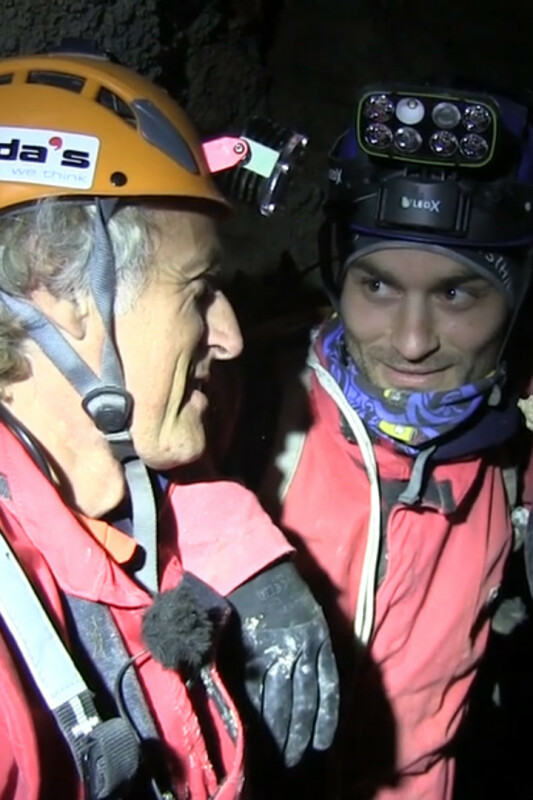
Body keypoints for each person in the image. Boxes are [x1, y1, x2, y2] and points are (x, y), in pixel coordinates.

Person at [0, 42, 339, 800]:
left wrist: (245, 552)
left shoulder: (101, 481)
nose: (230, 336)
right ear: (65, 297)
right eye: (197, 289)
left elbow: (169, 475)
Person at [225, 85, 533, 798]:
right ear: (338, 276)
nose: (411, 341)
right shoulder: (247, 401)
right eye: (378, 287)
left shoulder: (513, 451)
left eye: (456, 293)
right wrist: (230, 549)